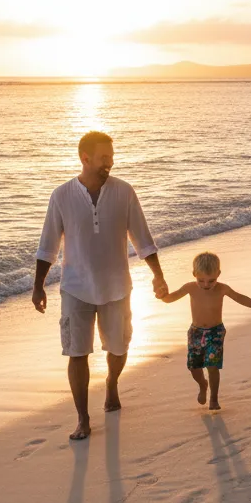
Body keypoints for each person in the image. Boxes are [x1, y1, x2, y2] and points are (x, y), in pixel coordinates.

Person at [33, 131, 167, 440]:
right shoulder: (62, 196)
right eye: (104, 157)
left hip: (116, 286)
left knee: (119, 348)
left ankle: (111, 383)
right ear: (85, 158)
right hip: (75, 288)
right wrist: (38, 286)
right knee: (76, 352)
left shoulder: (124, 192)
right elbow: (47, 247)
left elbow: (143, 239)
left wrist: (158, 275)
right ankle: (82, 418)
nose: (110, 161)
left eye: (112, 155)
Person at [160, 251, 251, 410]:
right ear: (194, 274)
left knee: (212, 366)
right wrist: (162, 294)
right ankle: (203, 385)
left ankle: (214, 399)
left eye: (211, 280)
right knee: (194, 367)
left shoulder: (222, 289)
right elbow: (169, 299)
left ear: (218, 274)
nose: (206, 285)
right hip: (195, 332)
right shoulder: (190, 287)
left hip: (215, 332)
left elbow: (240, 298)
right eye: (201, 280)